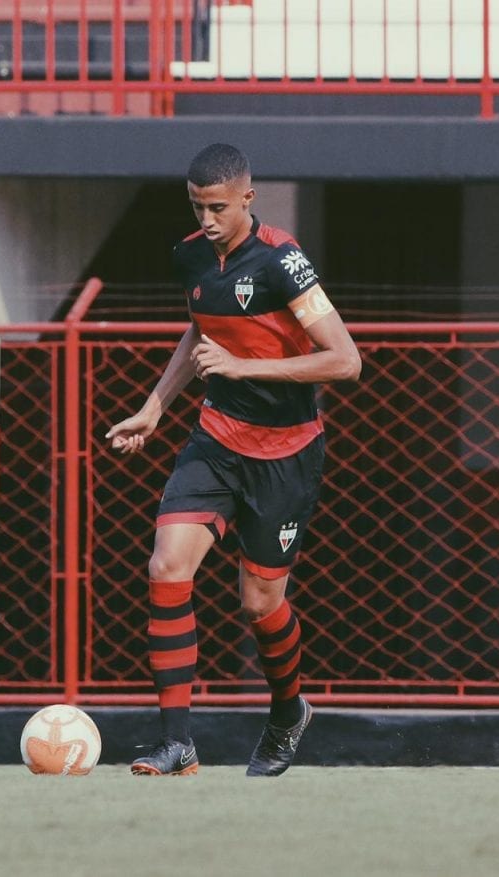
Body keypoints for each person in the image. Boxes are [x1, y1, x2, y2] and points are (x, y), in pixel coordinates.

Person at [105, 142, 361, 777]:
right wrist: (154, 408)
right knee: (167, 565)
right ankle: (176, 742)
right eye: (198, 207)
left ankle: (288, 712)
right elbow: (200, 332)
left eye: (218, 207)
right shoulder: (191, 255)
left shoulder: (283, 261)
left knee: (259, 604)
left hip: (286, 454)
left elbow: (345, 360)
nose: (208, 219)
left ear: (248, 198)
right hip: (216, 441)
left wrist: (244, 366)